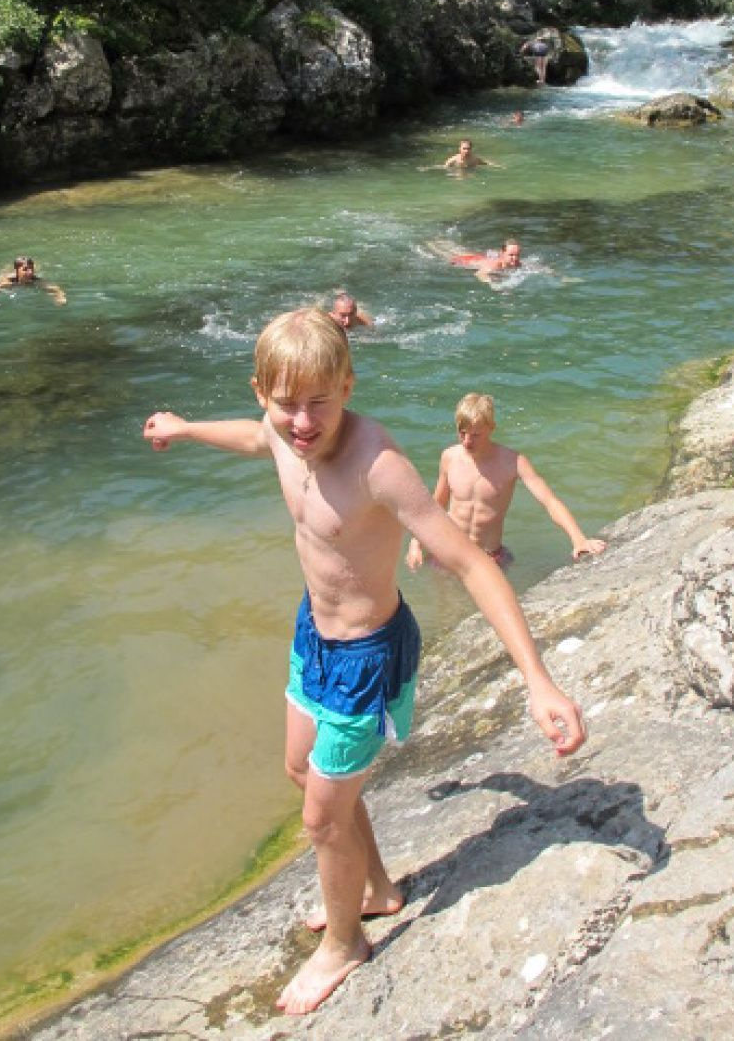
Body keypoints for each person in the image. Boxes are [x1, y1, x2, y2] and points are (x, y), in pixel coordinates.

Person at [142, 309, 585, 1015]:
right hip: (312, 636)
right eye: (287, 402)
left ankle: (344, 943)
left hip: (367, 656)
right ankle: (376, 889)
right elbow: (258, 437)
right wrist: (185, 428)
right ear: (261, 389)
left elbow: (469, 564)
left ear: (348, 385)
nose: (303, 422)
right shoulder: (283, 432)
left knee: (322, 819)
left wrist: (537, 680)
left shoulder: (378, 465)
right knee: (297, 768)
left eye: (320, 402)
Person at [406, 392, 606, 571]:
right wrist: (416, 543)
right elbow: (436, 506)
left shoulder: (513, 462)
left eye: (475, 435)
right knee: (447, 609)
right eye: (462, 433)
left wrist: (578, 539)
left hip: (488, 557)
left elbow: (549, 501)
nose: (467, 441)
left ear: (491, 428)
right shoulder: (449, 457)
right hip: (449, 552)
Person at [0, 256, 66, 306]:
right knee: (3, 274)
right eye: (25, 269)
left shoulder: (36, 280)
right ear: (17, 271)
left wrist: (60, 297)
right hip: (9, 275)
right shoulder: (8, 282)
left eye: (31, 269)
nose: (30, 272)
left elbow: (56, 289)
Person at [449, 239, 522, 284]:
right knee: (446, 253)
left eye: (517, 255)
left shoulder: (517, 264)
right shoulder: (495, 265)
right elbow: (479, 274)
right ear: (502, 253)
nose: (515, 258)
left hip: (479, 259)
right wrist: (492, 282)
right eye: (511, 255)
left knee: (459, 250)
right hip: (463, 261)